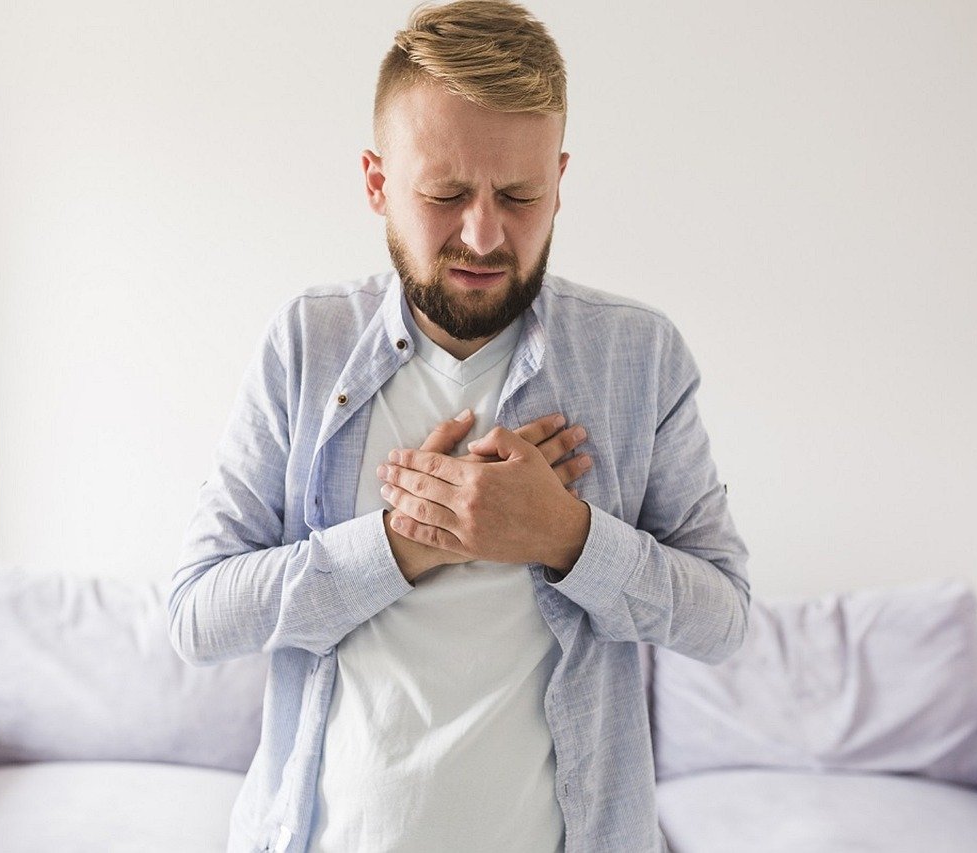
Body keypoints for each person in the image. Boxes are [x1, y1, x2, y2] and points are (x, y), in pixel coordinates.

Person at [169, 2, 750, 851]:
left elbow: (723, 617)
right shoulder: (308, 343)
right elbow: (196, 615)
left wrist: (565, 535)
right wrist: (407, 543)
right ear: (376, 182)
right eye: (444, 194)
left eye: (520, 196)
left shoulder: (639, 355)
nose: (484, 235)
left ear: (560, 178)